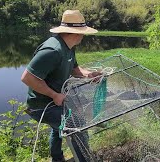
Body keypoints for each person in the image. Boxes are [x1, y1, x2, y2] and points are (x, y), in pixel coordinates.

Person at [21, 10, 101, 162]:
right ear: (76, 33)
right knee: (78, 126)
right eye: (83, 32)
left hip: (54, 103)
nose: (83, 36)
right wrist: (54, 95)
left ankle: (57, 158)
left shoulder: (69, 47)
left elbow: (75, 70)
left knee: (59, 127)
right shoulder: (53, 50)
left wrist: (89, 75)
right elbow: (27, 78)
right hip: (41, 106)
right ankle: (84, 159)